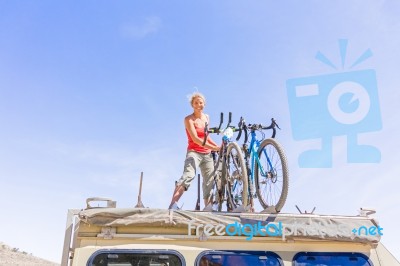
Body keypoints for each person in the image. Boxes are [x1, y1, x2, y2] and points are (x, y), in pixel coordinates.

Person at [168, 92, 220, 210]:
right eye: (196, 103)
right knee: (188, 175)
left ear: (204, 104)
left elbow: (206, 136)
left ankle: (208, 208)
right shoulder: (188, 119)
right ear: (192, 105)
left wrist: (218, 147)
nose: (198, 105)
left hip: (207, 153)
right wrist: (215, 148)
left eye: (201, 102)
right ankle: (172, 205)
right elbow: (196, 139)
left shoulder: (206, 117)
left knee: (209, 182)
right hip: (194, 152)